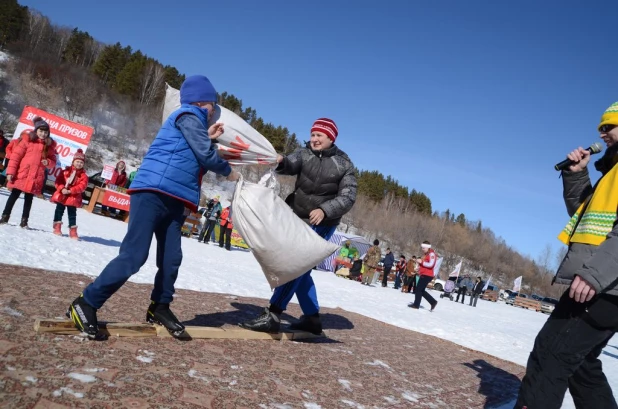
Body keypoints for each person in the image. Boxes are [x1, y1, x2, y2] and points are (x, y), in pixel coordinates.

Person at [66, 75, 240, 339]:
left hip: (175, 200)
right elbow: (203, 153)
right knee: (135, 255)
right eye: (212, 107)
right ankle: (86, 302)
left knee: (171, 259)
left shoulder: (194, 124)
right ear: (202, 102)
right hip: (153, 193)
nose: (213, 112)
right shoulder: (188, 115)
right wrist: (228, 171)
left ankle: (160, 306)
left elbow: (190, 151)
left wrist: (209, 139)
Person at [515, 102, 618, 409]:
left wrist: (593, 274)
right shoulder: (611, 174)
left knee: (551, 355)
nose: (602, 133)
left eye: (609, 125)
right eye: (600, 127)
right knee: (581, 364)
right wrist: (576, 175)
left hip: (604, 285)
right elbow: (585, 218)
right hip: (606, 284)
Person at [239, 117, 357, 335]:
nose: (314, 139)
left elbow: (349, 196)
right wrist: (280, 160)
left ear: (331, 138)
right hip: (297, 218)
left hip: (323, 222)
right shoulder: (304, 153)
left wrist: (325, 210)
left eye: (319, 135)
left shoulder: (344, 164)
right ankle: (312, 319)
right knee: (301, 269)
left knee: (297, 266)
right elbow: (291, 162)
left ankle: (273, 314)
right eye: (312, 134)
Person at [1, 119, 57, 228]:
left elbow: (53, 162)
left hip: (35, 177)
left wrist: (48, 162)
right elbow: (15, 157)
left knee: (29, 199)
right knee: (14, 195)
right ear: (36, 131)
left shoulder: (49, 146)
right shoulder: (27, 141)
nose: (43, 134)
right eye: (41, 131)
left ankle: (24, 221)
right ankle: (5, 216)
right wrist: (10, 172)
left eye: (46, 132)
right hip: (22, 174)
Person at [51, 149, 88, 239]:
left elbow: (82, 186)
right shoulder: (65, 171)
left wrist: (71, 190)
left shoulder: (84, 176)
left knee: (72, 214)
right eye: (77, 162)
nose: (79, 164)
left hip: (73, 197)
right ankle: (57, 225)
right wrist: (62, 188)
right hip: (62, 194)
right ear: (73, 162)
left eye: (81, 162)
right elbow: (58, 181)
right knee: (59, 210)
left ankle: (73, 230)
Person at [409, 241, 438, 311]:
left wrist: (422, 262)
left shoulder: (431, 254)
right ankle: (433, 302)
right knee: (421, 290)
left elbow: (431, 264)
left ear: (427, 247)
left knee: (418, 289)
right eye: (422, 248)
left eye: (423, 248)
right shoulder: (426, 254)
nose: (422, 249)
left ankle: (416, 305)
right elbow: (424, 265)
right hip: (424, 273)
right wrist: (418, 268)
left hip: (427, 275)